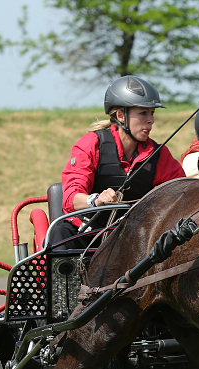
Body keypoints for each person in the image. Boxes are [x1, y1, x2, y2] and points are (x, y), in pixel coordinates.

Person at [50, 75, 186, 249]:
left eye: (152, 113)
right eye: (143, 113)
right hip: (85, 232)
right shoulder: (92, 143)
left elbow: (180, 192)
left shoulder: (160, 155)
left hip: (133, 237)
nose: (151, 120)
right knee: (61, 233)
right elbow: (71, 198)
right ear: (121, 115)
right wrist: (97, 200)